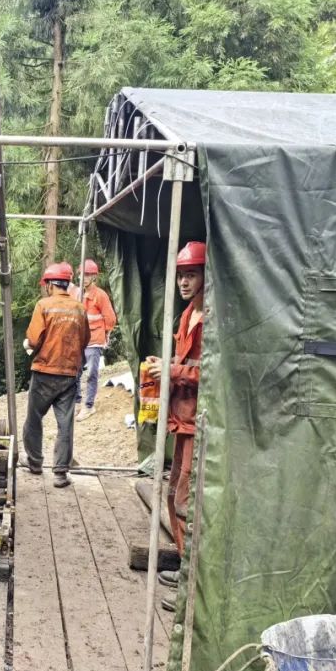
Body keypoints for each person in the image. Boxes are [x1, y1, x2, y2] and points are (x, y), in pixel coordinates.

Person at [147, 241, 205, 607]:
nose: (184, 282)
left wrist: (173, 372)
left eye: (191, 275)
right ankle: (186, 568)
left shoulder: (210, 319)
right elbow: (185, 361)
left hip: (199, 422)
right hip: (181, 419)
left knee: (187, 501)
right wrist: (164, 365)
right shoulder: (186, 315)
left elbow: (212, 371)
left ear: (205, 277)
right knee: (173, 496)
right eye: (181, 275)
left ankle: (193, 589)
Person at [22, 262, 90, 488]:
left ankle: (35, 463)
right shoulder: (79, 308)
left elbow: (34, 339)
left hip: (44, 372)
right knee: (65, 424)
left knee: (34, 419)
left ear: (50, 285)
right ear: (67, 284)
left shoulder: (44, 305)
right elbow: (85, 340)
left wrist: (29, 345)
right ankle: (60, 473)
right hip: (69, 374)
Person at [75, 258, 117, 421]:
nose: (84, 277)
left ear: (94, 277)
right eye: (82, 274)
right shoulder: (77, 294)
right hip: (80, 340)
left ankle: (88, 406)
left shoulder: (100, 295)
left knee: (91, 373)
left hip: (95, 340)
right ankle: (77, 403)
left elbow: (110, 318)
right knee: (75, 372)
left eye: (88, 275)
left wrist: (106, 334)